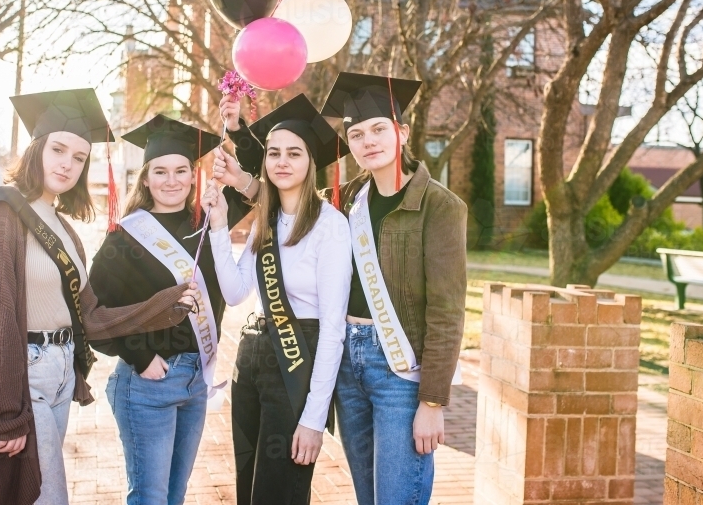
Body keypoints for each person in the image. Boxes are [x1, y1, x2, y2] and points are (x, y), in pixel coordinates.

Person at [0, 89, 200, 505]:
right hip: (23, 373)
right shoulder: (1, 215)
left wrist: (162, 306)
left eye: (79, 157)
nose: (67, 164)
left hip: (58, 372)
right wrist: (5, 414)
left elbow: (89, 315)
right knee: (45, 495)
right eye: (58, 149)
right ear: (35, 149)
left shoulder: (62, 226)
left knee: (31, 494)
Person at [86, 112, 261, 505]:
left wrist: (235, 127)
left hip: (196, 379)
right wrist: (140, 355)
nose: (172, 181)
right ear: (145, 178)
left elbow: (253, 169)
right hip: (148, 380)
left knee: (174, 496)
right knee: (151, 498)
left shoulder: (209, 218)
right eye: (160, 172)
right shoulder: (125, 235)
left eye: (181, 170)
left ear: (193, 174)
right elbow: (94, 310)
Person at [322, 72, 468, 505]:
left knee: (396, 498)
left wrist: (433, 402)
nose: (369, 141)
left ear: (402, 132)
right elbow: (289, 204)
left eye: (379, 129)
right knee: (368, 497)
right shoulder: (344, 199)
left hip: (400, 372)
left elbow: (447, 311)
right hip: (349, 365)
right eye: (356, 134)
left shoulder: (441, 206)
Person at [201, 94, 352, 505]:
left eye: (294, 153)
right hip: (250, 359)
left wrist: (314, 418)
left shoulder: (330, 227)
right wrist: (217, 226)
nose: (282, 161)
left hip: (296, 358)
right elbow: (235, 293)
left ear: (310, 162)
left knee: (278, 491)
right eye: (274, 153)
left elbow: (334, 327)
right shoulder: (265, 220)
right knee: (249, 487)